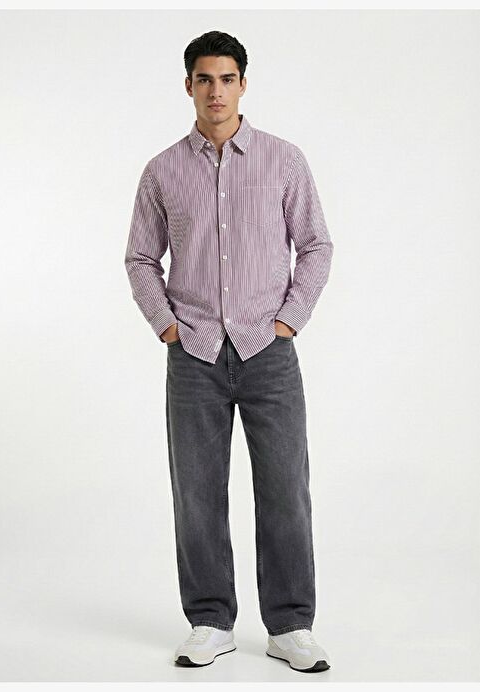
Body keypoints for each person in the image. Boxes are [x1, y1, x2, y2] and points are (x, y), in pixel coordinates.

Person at [124, 30, 333, 674]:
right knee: (196, 492)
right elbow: (140, 257)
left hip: (268, 350)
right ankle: (210, 620)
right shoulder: (162, 170)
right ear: (188, 86)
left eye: (227, 79)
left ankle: (290, 626)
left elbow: (316, 245)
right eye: (204, 79)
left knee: (285, 489)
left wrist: (289, 320)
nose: (216, 91)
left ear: (243, 84)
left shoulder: (283, 160)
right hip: (193, 354)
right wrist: (167, 325)